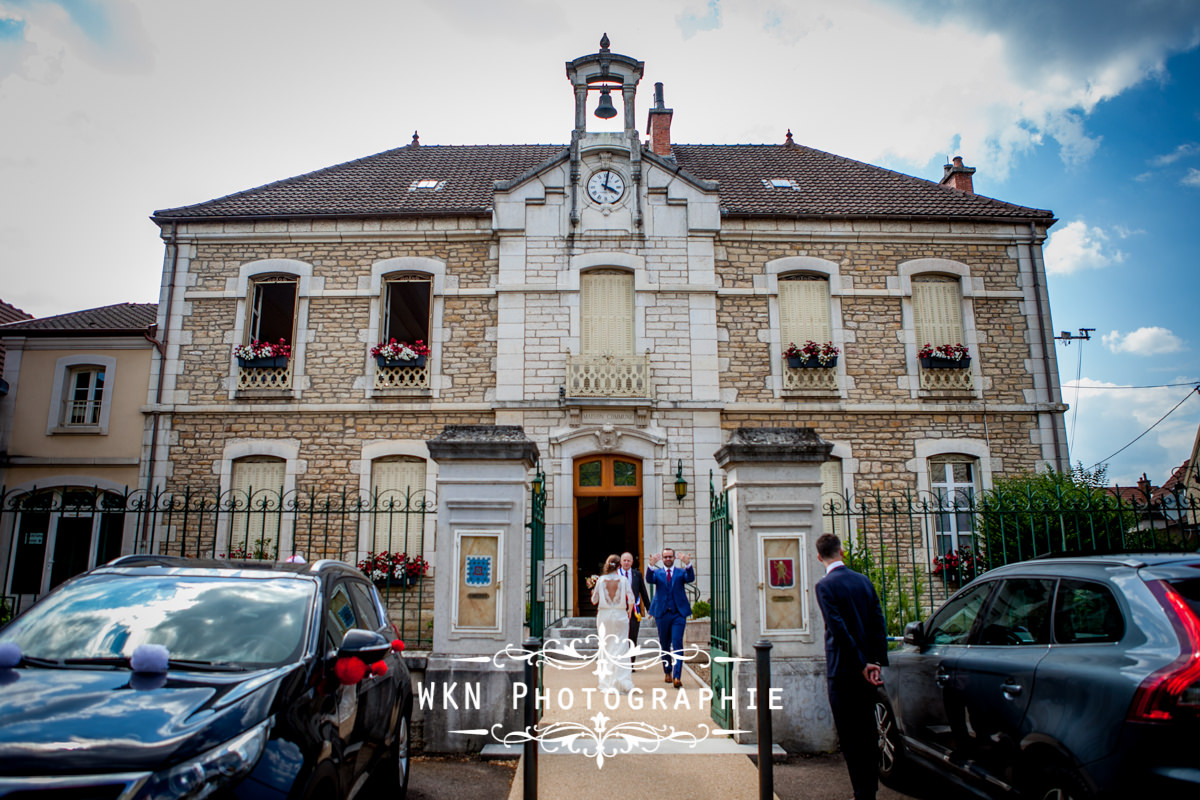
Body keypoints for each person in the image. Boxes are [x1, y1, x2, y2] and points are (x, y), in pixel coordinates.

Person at [814, 532, 889, 800]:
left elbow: (838, 629)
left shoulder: (825, 586)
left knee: (850, 736)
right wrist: (875, 662)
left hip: (843, 671)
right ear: (842, 552)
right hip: (869, 671)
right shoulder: (863, 581)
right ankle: (871, 789)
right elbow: (878, 623)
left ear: (819, 556)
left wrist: (860, 663)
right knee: (869, 732)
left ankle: (861, 792)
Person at [644, 547, 694, 688]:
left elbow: (690, 578)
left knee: (677, 643)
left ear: (674, 558)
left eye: (670, 557)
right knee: (665, 644)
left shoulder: (680, 572)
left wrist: (688, 564)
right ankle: (667, 671)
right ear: (663, 559)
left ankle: (677, 676)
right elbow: (648, 579)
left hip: (678, 613)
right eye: (665, 557)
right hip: (662, 613)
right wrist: (650, 565)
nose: (667, 559)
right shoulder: (657, 573)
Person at [590, 553, 635, 694]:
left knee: (606, 646)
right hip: (620, 615)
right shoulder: (623, 580)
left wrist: (592, 591)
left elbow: (594, 600)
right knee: (621, 646)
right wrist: (629, 611)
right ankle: (622, 680)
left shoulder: (601, 580)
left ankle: (607, 681)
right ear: (619, 566)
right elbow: (632, 598)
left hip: (604, 615)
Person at [618, 551, 651, 647]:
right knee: (620, 638)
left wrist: (649, 608)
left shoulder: (637, 574)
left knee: (632, 638)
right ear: (620, 562)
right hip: (620, 610)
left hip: (634, 612)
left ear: (632, 562)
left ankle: (631, 661)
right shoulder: (616, 574)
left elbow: (643, 592)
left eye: (628, 561)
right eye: (624, 560)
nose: (626, 563)